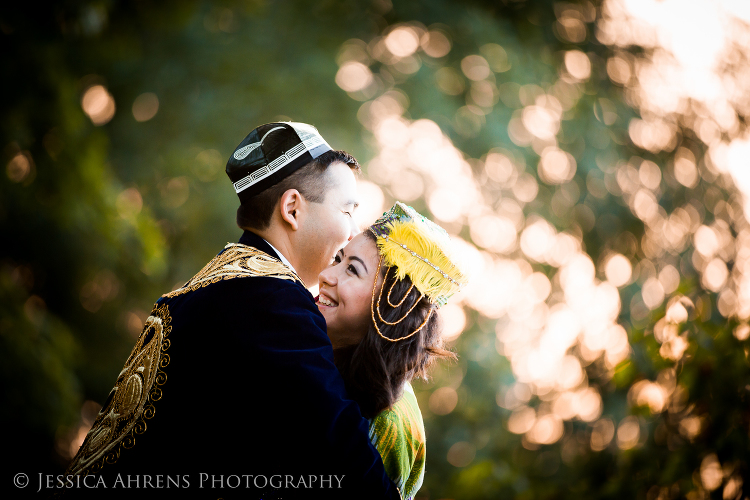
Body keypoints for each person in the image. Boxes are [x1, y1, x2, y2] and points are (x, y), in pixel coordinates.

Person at [63, 122, 400, 499]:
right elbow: (340, 446)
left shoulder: (220, 284)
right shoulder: (274, 303)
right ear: (292, 209)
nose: (353, 233)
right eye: (348, 211)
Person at [316, 201, 468, 499]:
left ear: (392, 307)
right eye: (337, 259)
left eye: (352, 270)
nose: (326, 275)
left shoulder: (391, 424)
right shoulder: (310, 353)